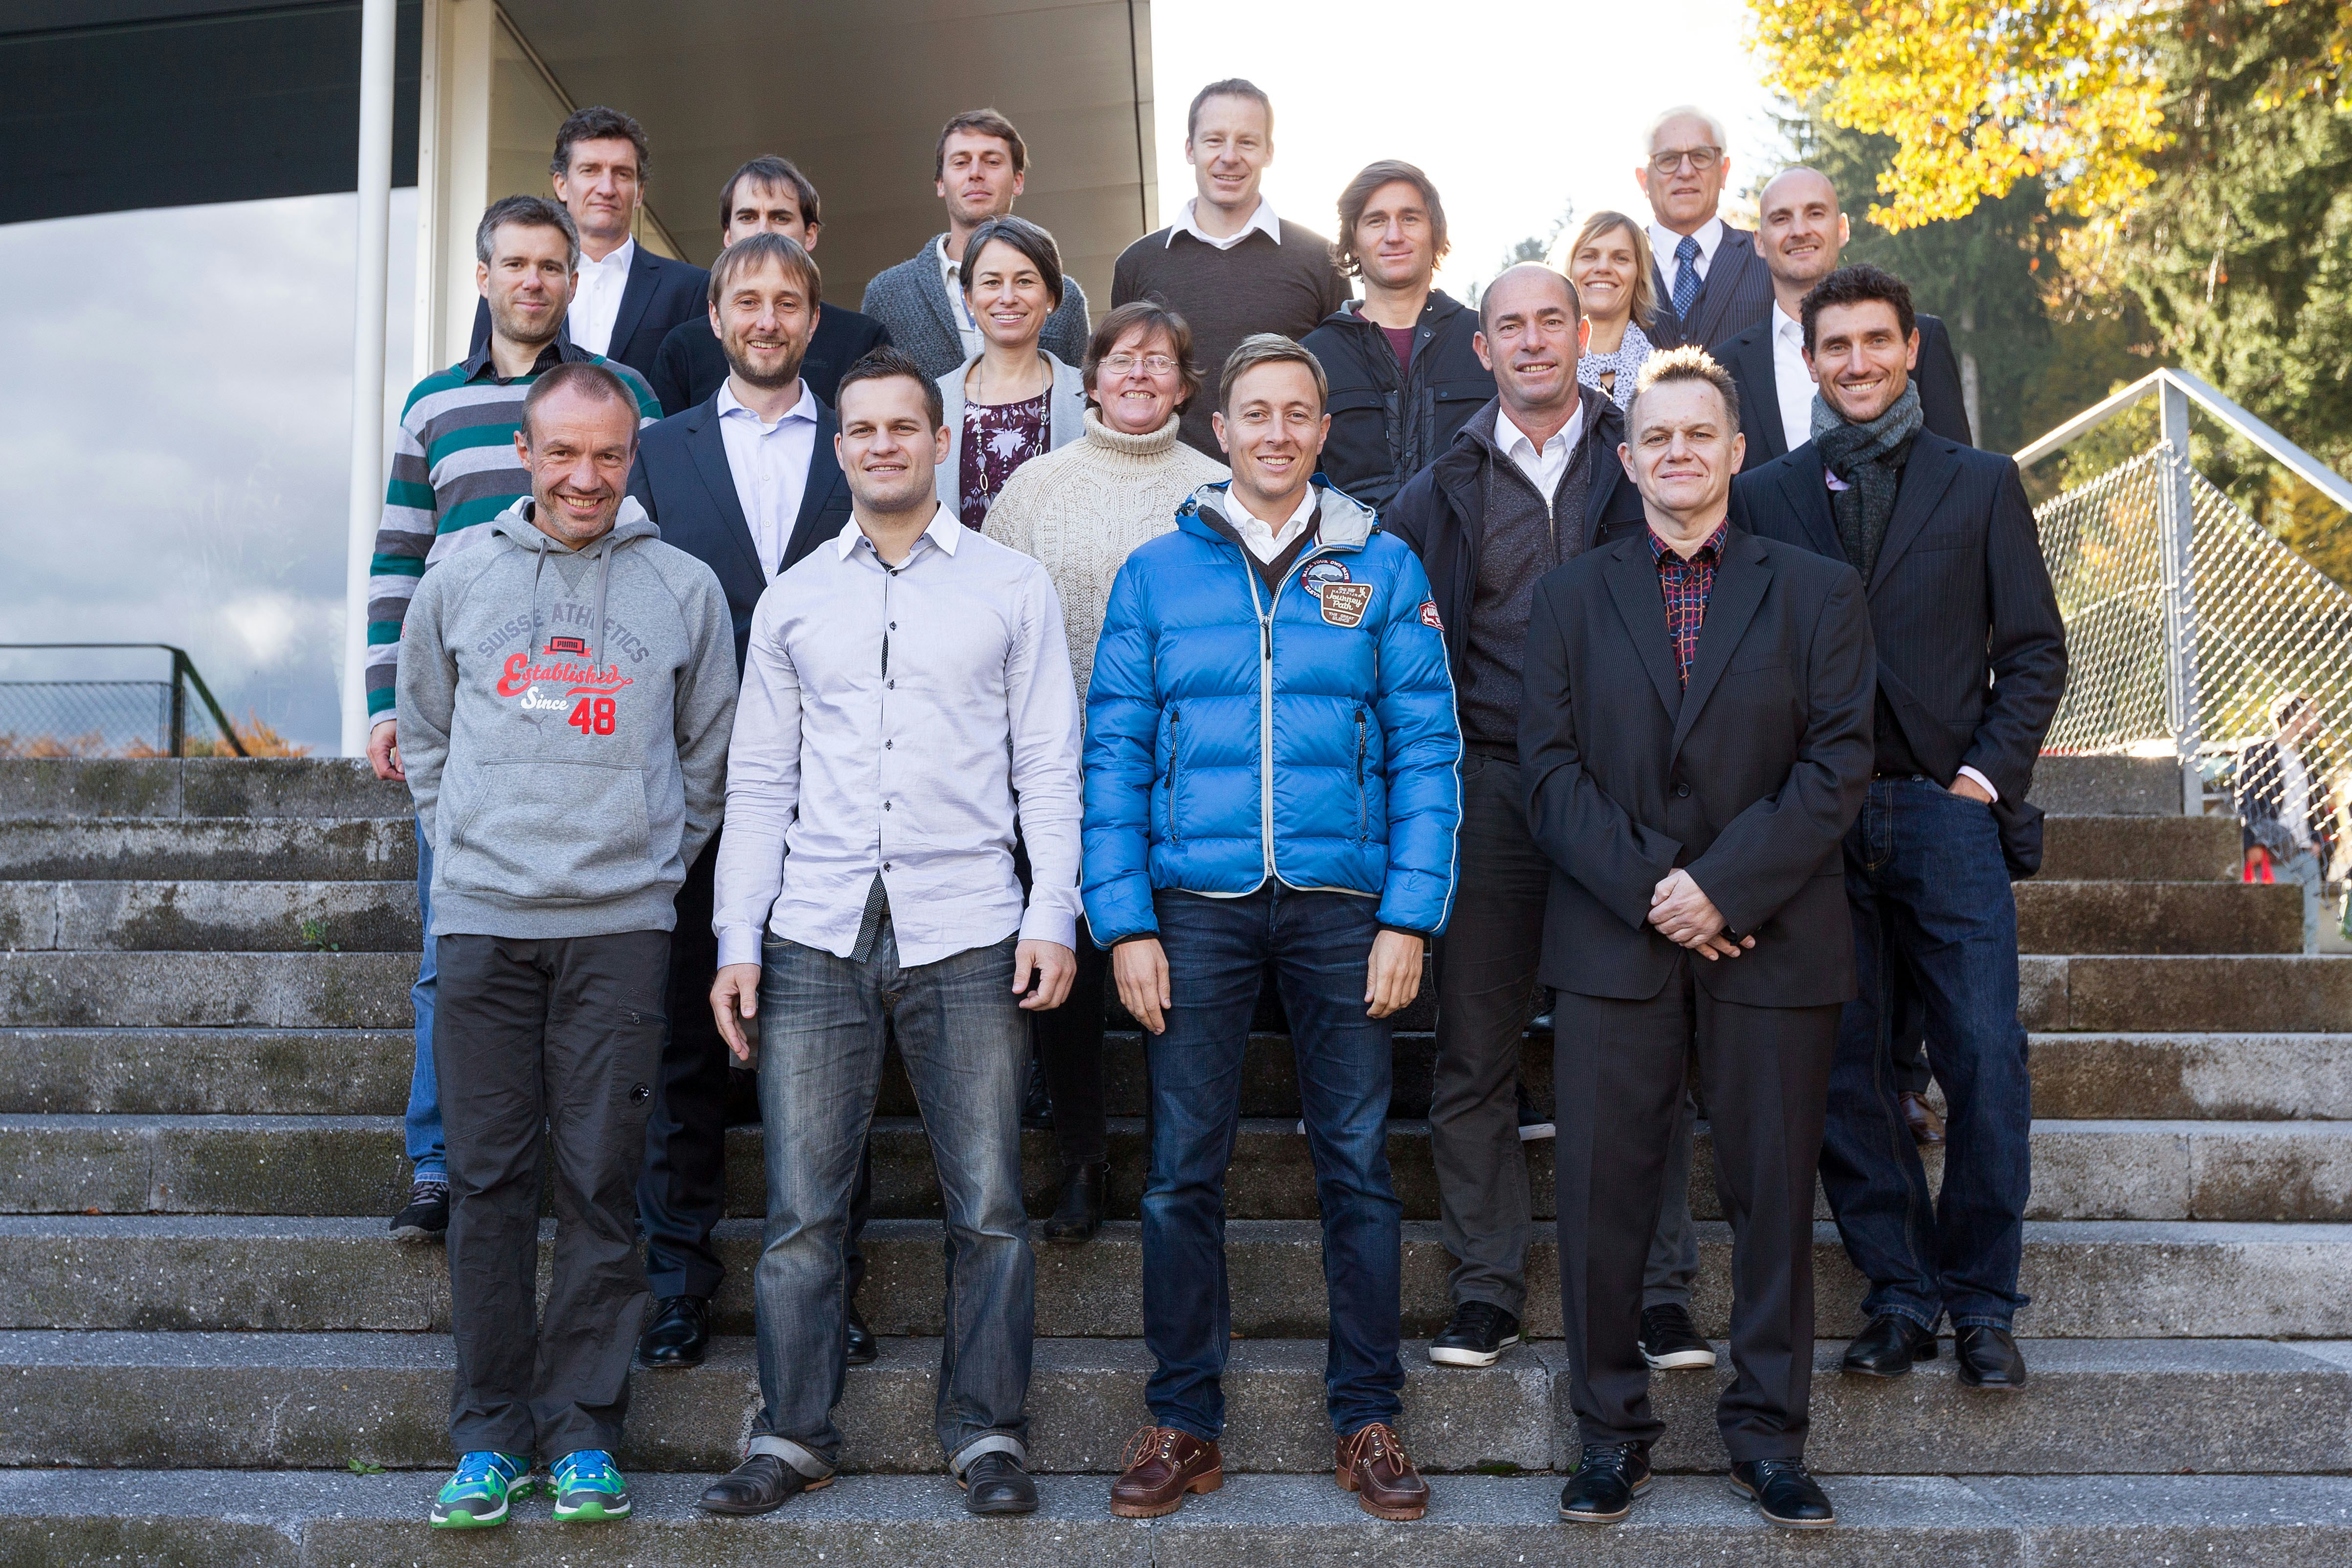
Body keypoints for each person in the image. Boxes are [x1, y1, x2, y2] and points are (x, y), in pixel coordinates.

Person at [696, 346, 1083, 1520]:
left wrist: (1052, 910)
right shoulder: (798, 595)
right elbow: (757, 781)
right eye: (858, 430)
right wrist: (736, 939)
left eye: (900, 429)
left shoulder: (1011, 587)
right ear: (840, 446)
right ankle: (794, 1434)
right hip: (813, 928)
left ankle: (986, 1433)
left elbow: (1048, 768)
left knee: (991, 1207)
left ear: (940, 440)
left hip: (968, 923)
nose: (878, 447)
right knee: (803, 1211)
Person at [1086, 334, 1461, 1524]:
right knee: (1178, 1171)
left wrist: (1411, 914)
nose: (1278, 433)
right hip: (1191, 908)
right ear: (1223, 425)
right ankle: (1184, 1422)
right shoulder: (1155, 572)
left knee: (1355, 1163)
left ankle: (1367, 1420)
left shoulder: (1381, 564)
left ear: (1320, 429)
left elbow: (1427, 751)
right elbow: (1114, 754)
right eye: (1257, 413)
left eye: (1298, 413)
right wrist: (1124, 920)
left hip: (1343, 904)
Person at [1526, 347, 1874, 1531]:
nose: (1677, 453)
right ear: (1626, 464)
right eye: (1656, 438)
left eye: (1698, 435)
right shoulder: (1571, 597)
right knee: (1602, 1201)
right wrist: (1656, 891)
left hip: (1773, 941)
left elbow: (1838, 765)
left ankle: (1769, 1437)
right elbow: (1549, 771)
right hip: (1614, 946)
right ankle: (1608, 1434)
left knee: (1773, 1198)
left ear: (1736, 451)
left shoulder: (1818, 591)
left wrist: (1722, 889)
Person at [396, 360, 738, 1530]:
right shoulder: (459, 576)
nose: (584, 477)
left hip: (619, 929)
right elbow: (429, 734)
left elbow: (709, 756)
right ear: (528, 456)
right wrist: (470, 846)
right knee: (488, 1186)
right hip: (488, 923)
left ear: (630, 456)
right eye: (563, 453)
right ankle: (489, 1438)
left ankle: (584, 1432)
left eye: (606, 454)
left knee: (600, 1186)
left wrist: (652, 866)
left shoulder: (684, 587)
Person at [1734, 264, 2066, 1397]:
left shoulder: (1979, 484)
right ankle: (1899, 1291)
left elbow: (2033, 651)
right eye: (1837, 346)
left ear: (1910, 348)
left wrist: (1982, 778)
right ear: (1812, 360)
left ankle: (1982, 1301)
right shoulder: (1770, 493)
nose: (1859, 362)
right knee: (1844, 1070)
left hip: (1944, 808)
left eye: (1878, 341)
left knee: (1981, 1053)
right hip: (1819, 819)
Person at [368, 195, 660, 1245]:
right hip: (472, 720)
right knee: (454, 948)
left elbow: (647, 559)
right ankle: (440, 1163)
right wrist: (382, 702)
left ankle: (573, 1163)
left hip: (588, 721)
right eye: (515, 264)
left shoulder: (619, 396)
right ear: (483, 275)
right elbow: (399, 556)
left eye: (552, 264)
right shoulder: (434, 406)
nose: (534, 280)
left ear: (575, 281)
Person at [1383, 263, 1642, 1371]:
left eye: (1551, 321)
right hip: (1486, 784)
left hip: (1619, 787)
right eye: (1509, 327)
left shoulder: (1645, 458)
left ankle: (1648, 1288)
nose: (1532, 341)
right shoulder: (1436, 485)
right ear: (1479, 350)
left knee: (1629, 1048)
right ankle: (1486, 1288)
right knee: (1473, 1053)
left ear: (1583, 337)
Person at [622, 231, 865, 1375]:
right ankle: (677, 1284)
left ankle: (825, 1291)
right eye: (747, 300)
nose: (767, 318)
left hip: (838, 799)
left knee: (824, 1058)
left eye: (788, 302)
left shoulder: (863, 445)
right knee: (682, 1054)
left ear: (813, 323)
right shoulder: (657, 452)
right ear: (714, 318)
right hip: (691, 795)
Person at [983, 300, 1228, 1239]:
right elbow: (993, 634)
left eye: (1159, 361)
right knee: (1073, 970)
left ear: (1185, 382)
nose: (1139, 375)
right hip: (1064, 770)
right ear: (1089, 377)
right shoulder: (1032, 491)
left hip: (1191, 777)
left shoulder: (1220, 487)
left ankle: (1179, 1161)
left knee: (1180, 968)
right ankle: (1081, 1158)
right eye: (1121, 359)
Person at [1111, 80, 1350, 457]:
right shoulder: (1138, 264)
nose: (1229, 156)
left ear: (1269, 152)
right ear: (1190, 149)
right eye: (1214, 140)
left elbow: (1340, 389)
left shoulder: (1321, 260)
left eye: (1247, 142)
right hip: (1169, 496)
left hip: (1288, 489)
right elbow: (1119, 388)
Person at [1712, 167, 1971, 472]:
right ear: (1759, 241)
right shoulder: (1726, 366)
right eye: (1781, 218)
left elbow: (1960, 475)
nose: (1799, 231)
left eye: (1815, 213)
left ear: (1842, 229)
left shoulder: (1920, 339)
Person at [467, 106, 708, 395]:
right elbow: (480, 384)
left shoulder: (690, 289)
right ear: (562, 185)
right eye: (590, 170)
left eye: (621, 174)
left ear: (640, 192)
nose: (606, 188)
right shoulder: (512, 283)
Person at [1299, 161, 1492, 514]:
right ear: (1353, 242)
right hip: (1353, 563)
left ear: (1435, 233)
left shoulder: (1485, 341)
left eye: (1410, 218)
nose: (1394, 235)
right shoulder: (1313, 357)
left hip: (1471, 560)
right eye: (1376, 221)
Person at [648, 155, 891, 415]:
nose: (764, 231)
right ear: (728, 234)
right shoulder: (683, 347)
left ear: (810, 234)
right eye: (748, 217)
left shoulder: (863, 340)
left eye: (780, 218)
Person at [861, 109, 1091, 380]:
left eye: (992, 162)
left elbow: (1082, 400)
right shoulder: (887, 295)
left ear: (1018, 181)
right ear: (940, 184)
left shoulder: (1065, 297)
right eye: (960, 163)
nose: (975, 173)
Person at [935, 215, 1088, 529]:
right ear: (969, 299)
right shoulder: (931, 401)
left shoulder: (1091, 398)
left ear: (1051, 297)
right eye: (991, 282)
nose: (1007, 297)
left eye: (1025, 281)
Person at [1636, 106, 1772, 351]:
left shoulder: (1769, 261)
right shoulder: (1615, 266)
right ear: (1644, 180)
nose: (1686, 172)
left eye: (1701, 156)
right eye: (1668, 159)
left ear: (1724, 171)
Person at [2238, 692, 2336, 953]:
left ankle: (2310, 979)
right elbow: (2247, 800)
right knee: (2273, 927)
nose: (2316, 722)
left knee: (2310, 927)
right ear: (2295, 717)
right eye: (2310, 715)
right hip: (2272, 854)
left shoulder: (2306, 759)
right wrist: (2253, 843)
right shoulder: (2259, 752)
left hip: (2305, 855)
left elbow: (2314, 807)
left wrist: (2316, 842)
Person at [1563, 211, 1659, 409]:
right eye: (1589, 256)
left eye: (1621, 258)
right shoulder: (1541, 368)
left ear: (1639, 274)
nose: (1603, 268)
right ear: (1570, 269)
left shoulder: (1664, 376)